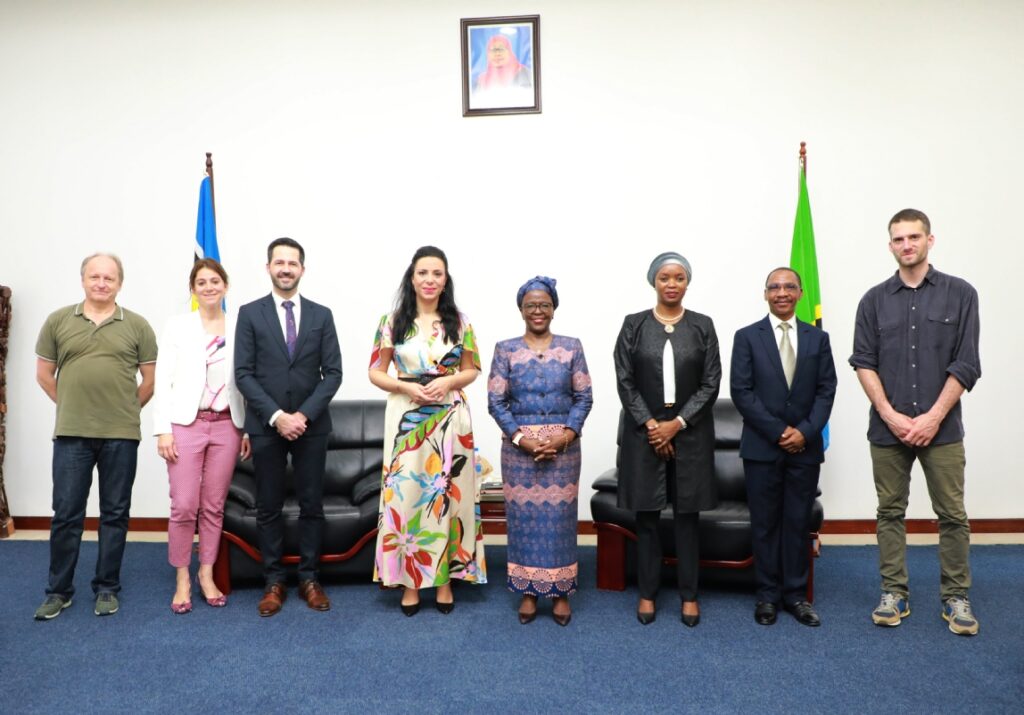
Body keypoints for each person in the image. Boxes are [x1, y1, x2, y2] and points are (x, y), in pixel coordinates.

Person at [850, 208, 982, 636]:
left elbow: (966, 363)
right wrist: (889, 414)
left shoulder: (961, 294)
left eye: (914, 237)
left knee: (952, 515)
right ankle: (894, 592)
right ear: (890, 245)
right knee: (889, 511)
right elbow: (863, 362)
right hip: (887, 429)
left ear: (930, 240)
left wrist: (932, 417)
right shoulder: (872, 300)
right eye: (898, 239)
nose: (907, 245)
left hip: (941, 429)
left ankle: (956, 598)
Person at [33, 253, 158, 620]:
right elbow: (44, 375)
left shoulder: (137, 325)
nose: (101, 283)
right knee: (67, 514)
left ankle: (107, 587)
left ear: (120, 283)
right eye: (95, 277)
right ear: (83, 280)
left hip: (121, 435)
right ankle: (58, 591)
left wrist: (123, 412)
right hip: (71, 434)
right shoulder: (58, 321)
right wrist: (70, 404)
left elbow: (149, 381)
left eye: (109, 278)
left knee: (115, 514)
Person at [369, 245, 487, 615]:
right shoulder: (392, 321)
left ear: (445, 279)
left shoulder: (461, 322)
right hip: (407, 418)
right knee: (407, 497)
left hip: (450, 416)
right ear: (412, 277)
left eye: (437, 273)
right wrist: (406, 387)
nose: (430, 280)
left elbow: (472, 369)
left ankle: (445, 580)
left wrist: (449, 382)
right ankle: (409, 581)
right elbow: (375, 372)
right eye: (423, 273)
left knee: (450, 495)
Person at [234, 238, 342, 617]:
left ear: (302, 269)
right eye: (278, 262)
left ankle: (310, 579)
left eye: (292, 263)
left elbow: (333, 374)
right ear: (268, 268)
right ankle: (274, 581)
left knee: (312, 506)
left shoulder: (321, 315)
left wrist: (303, 416)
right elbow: (243, 374)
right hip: (267, 426)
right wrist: (278, 416)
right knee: (268, 507)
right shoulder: (249, 314)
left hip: (311, 426)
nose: (285, 268)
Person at [613, 252, 721, 627]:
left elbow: (711, 383)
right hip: (644, 434)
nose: (671, 284)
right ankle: (647, 593)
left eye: (678, 278)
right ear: (653, 282)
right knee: (647, 518)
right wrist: (653, 427)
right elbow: (625, 381)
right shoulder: (634, 325)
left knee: (687, 518)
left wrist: (676, 423)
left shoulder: (703, 326)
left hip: (689, 434)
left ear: (687, 282)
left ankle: (689, 596)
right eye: (664, 278)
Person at [730, 267, 837, 627]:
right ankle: (767, 596)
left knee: (796, 522)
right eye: (774, 287)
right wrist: (779, 432)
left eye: (789, 286)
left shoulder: (817, 339)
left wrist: (804, 432)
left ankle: (795, 596)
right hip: (762, 447)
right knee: (764, 524)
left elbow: (827, 390)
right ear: (765, 294)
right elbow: (741, 392)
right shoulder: (747, 337)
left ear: (800, 294)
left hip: (805, 449)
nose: (781, 293)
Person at [488, 276, 593, 626]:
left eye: (544, 304)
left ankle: (561, 592)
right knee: (524, 521)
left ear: (553, 308)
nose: (538, 310)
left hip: (564, 451)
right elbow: (496, 401)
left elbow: (584, 397)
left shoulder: (572, 347)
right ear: (521, 309)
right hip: (519, 453)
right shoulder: (505, 349)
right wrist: (523, 439)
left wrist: (565, 436)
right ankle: (529, 591)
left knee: (561, 521)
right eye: (531, 305)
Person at [153, 259, 251, 614]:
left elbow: (247, 381)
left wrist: (247, 427)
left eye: (215, 281)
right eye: (201, 282)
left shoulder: (241, 326)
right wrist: (163, 428)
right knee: (183, 505)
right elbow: (163, 380)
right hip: (185, 425)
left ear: (226, 286)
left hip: (228, 425)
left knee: (212, 506)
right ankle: (182, 577)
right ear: (192, 289)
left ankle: (206, 574)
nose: (209, 287)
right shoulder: (178, 326)